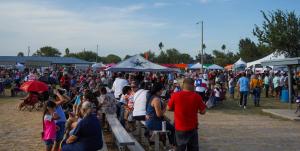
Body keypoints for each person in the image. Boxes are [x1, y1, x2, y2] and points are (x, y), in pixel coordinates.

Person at [168, 78, 206, 151]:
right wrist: (198, 111)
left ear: (183, 85)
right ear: (192, 85)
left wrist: (176, 109)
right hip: (192, 127)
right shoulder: (197, 96)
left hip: (179, 127)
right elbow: (203, 111)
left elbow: (168, 108)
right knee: (193, 148)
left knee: (180, 147)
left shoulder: (175, 95)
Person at [145, 83, 176, 147]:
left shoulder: (151, 96)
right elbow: (159, 114)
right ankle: (173, 144)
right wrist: (165, 107)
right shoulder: (156, 99)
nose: (163, 91)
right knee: (172, 128)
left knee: (169, 124)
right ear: (159, 90)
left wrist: (164, 104)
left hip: (149, 121)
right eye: (162, 90)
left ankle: (169, 143)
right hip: (153, 122)